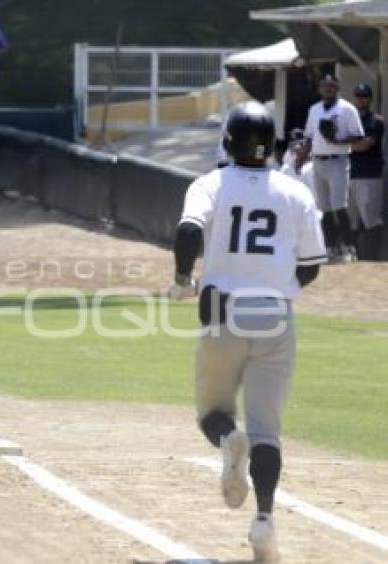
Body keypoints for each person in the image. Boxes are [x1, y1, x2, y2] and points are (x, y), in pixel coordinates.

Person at [169, 102, 326, 562]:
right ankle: (264, 521)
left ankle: (225, 441)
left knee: (212, 414)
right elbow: (313, 265)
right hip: (276, 315)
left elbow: (187, 232)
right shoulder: (295, 190)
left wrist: (182, 280)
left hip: (222, 310)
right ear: (272, 144)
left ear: (228, 140)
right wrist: (283, 289)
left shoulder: (210, 183)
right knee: (268, 433)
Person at [303, 74, 365, 263]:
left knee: (339, 207)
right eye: (324, 86)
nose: (328, 89)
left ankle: (349, 247)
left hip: (338, 160)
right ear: (319, 89)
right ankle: (330, 247)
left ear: (337, 88)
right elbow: (309, 136)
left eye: (331, 86)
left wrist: (338, 140)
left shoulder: (347, 109)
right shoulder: (314, 110)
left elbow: (359, 136)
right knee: (325, 209)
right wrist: (302, 154)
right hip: (318, 161)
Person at [349, 83, 385, 261]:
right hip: (350, 174)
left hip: (369, 175)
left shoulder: (376, 120)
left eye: (364, 96)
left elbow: (364, 146)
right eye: (358, 95)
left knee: (371, 219)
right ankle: (353, 256)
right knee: (352, 220)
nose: (361, 99)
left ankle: (374, 258)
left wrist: (341, 146)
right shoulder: (349, 120)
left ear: (370, 99)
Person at [280, 129, 314, 193]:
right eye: (293, 145)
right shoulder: (286, 169)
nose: (297, 147)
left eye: (301, 144)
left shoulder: (313, 168)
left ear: (309, 145)